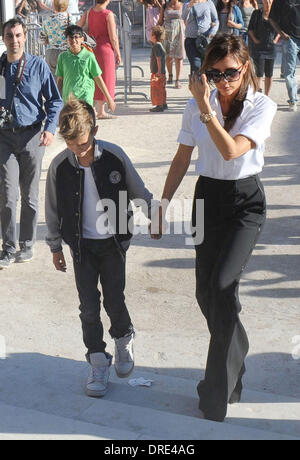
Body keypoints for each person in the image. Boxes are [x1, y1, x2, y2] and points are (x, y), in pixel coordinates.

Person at [152, 33, 277, 422]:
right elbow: (181, 157)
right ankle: (237, 346)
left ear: (246, 68)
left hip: (245, 204)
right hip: (208, 199)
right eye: (214, 73)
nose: (223, 81)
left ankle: (215, 394)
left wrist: (206, 107)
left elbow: (232, 150)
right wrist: (162, 203)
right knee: (207, 295)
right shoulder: (195, 106)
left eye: (230, 73)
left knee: (223, 287)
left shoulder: (262, 106)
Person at [45, 96, 155, 397]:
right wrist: (55, 246)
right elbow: (52, 209)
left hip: (113, 244)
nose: (78, 151)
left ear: (93, 130)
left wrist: (154, 214)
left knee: (114, 300)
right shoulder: (59, 167)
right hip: (81, 248)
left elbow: (139, 190)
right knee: (88, 308)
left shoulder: (114, 157)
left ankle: (123, 336)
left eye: (82, 144)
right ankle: (97, 361)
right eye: (71, 145)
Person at [0, 18, 62, 269]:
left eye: (17, 35)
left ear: (25, 37)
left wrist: (49, 129)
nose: (14, 40)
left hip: (32, 137)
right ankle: (8, 247)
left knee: (30, 196)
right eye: (9, 36)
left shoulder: (37, 66)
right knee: (7, 195)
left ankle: (26, 244)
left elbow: (54, 101)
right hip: (4, 137)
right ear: (3, 39)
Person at [56, 25, 115, 114]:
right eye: (70, 38)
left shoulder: (89, 56)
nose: (74, 41)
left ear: (82, 39)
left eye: (76, 37)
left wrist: (109, 98)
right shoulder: (63, 57)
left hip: (85, 97)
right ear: (66, 40)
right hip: (69, 98)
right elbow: (60, 79)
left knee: (86, 124)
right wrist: (55, 98)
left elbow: (98, 78)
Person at [77, 0, 121, 119]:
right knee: (106, 78)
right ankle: (101, 110)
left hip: (92, 48)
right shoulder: (108, 14)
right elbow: (113, 37)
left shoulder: (89, 12)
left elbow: (77, 25)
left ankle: (94, 109)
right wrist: (118, 52)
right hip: (105, 48)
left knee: (93, 77)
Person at [269, 0, 300, 112]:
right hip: (290, 39)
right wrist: (281, 33)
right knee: (288, 73)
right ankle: (293, 100)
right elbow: (271, 18)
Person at [248, 0, 279, 96]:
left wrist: (276, 40)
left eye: (270, 0)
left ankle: (267, 95)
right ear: (263, 1)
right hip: (259, 49)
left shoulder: (276, 14)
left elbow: (281, 29)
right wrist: (255, 40)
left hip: (271, 48)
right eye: (266, 0)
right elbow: (250, 29)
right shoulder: (257, 13)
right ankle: (258, 95)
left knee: (269, 74)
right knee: (259, 74)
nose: (268, 2)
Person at [40, 0, 74, 81]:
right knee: (66, 79)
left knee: (53, 80)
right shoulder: (69, 19)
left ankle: (55, 93)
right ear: (66, 7)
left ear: (53, 6)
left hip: (51, 52)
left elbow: (41, 40)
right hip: (66, 51)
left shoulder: (47, 20)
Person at [182, 0, 219, 73]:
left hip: (205, 40)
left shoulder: (209, 3)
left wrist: (212, 32)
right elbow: (183, 17)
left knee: (206, 66)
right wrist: (189, 6)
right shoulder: (187, 3)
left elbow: (216, 20)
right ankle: (198, 82)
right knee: (196, 65)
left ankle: (198, 83)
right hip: (191, 39)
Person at [158, 0, 185, 88]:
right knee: (168, 56)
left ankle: (178, 80)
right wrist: (156, 33)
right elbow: (161, 20)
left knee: (179, 56)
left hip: (179, 32)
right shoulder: (165, 5)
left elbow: (186, 20)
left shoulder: (183, 5)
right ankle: (170, 75)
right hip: (167, 32)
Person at [149, 25, 167, 112]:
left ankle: (159, 105)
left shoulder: (156, 46)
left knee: (156, 89)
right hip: (162, 72)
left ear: (154, 36)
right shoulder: (160, 45)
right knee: (162, 88)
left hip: (157, 72)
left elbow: (158, 59)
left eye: (151, 34)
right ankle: (163, 103)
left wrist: (158, 71)